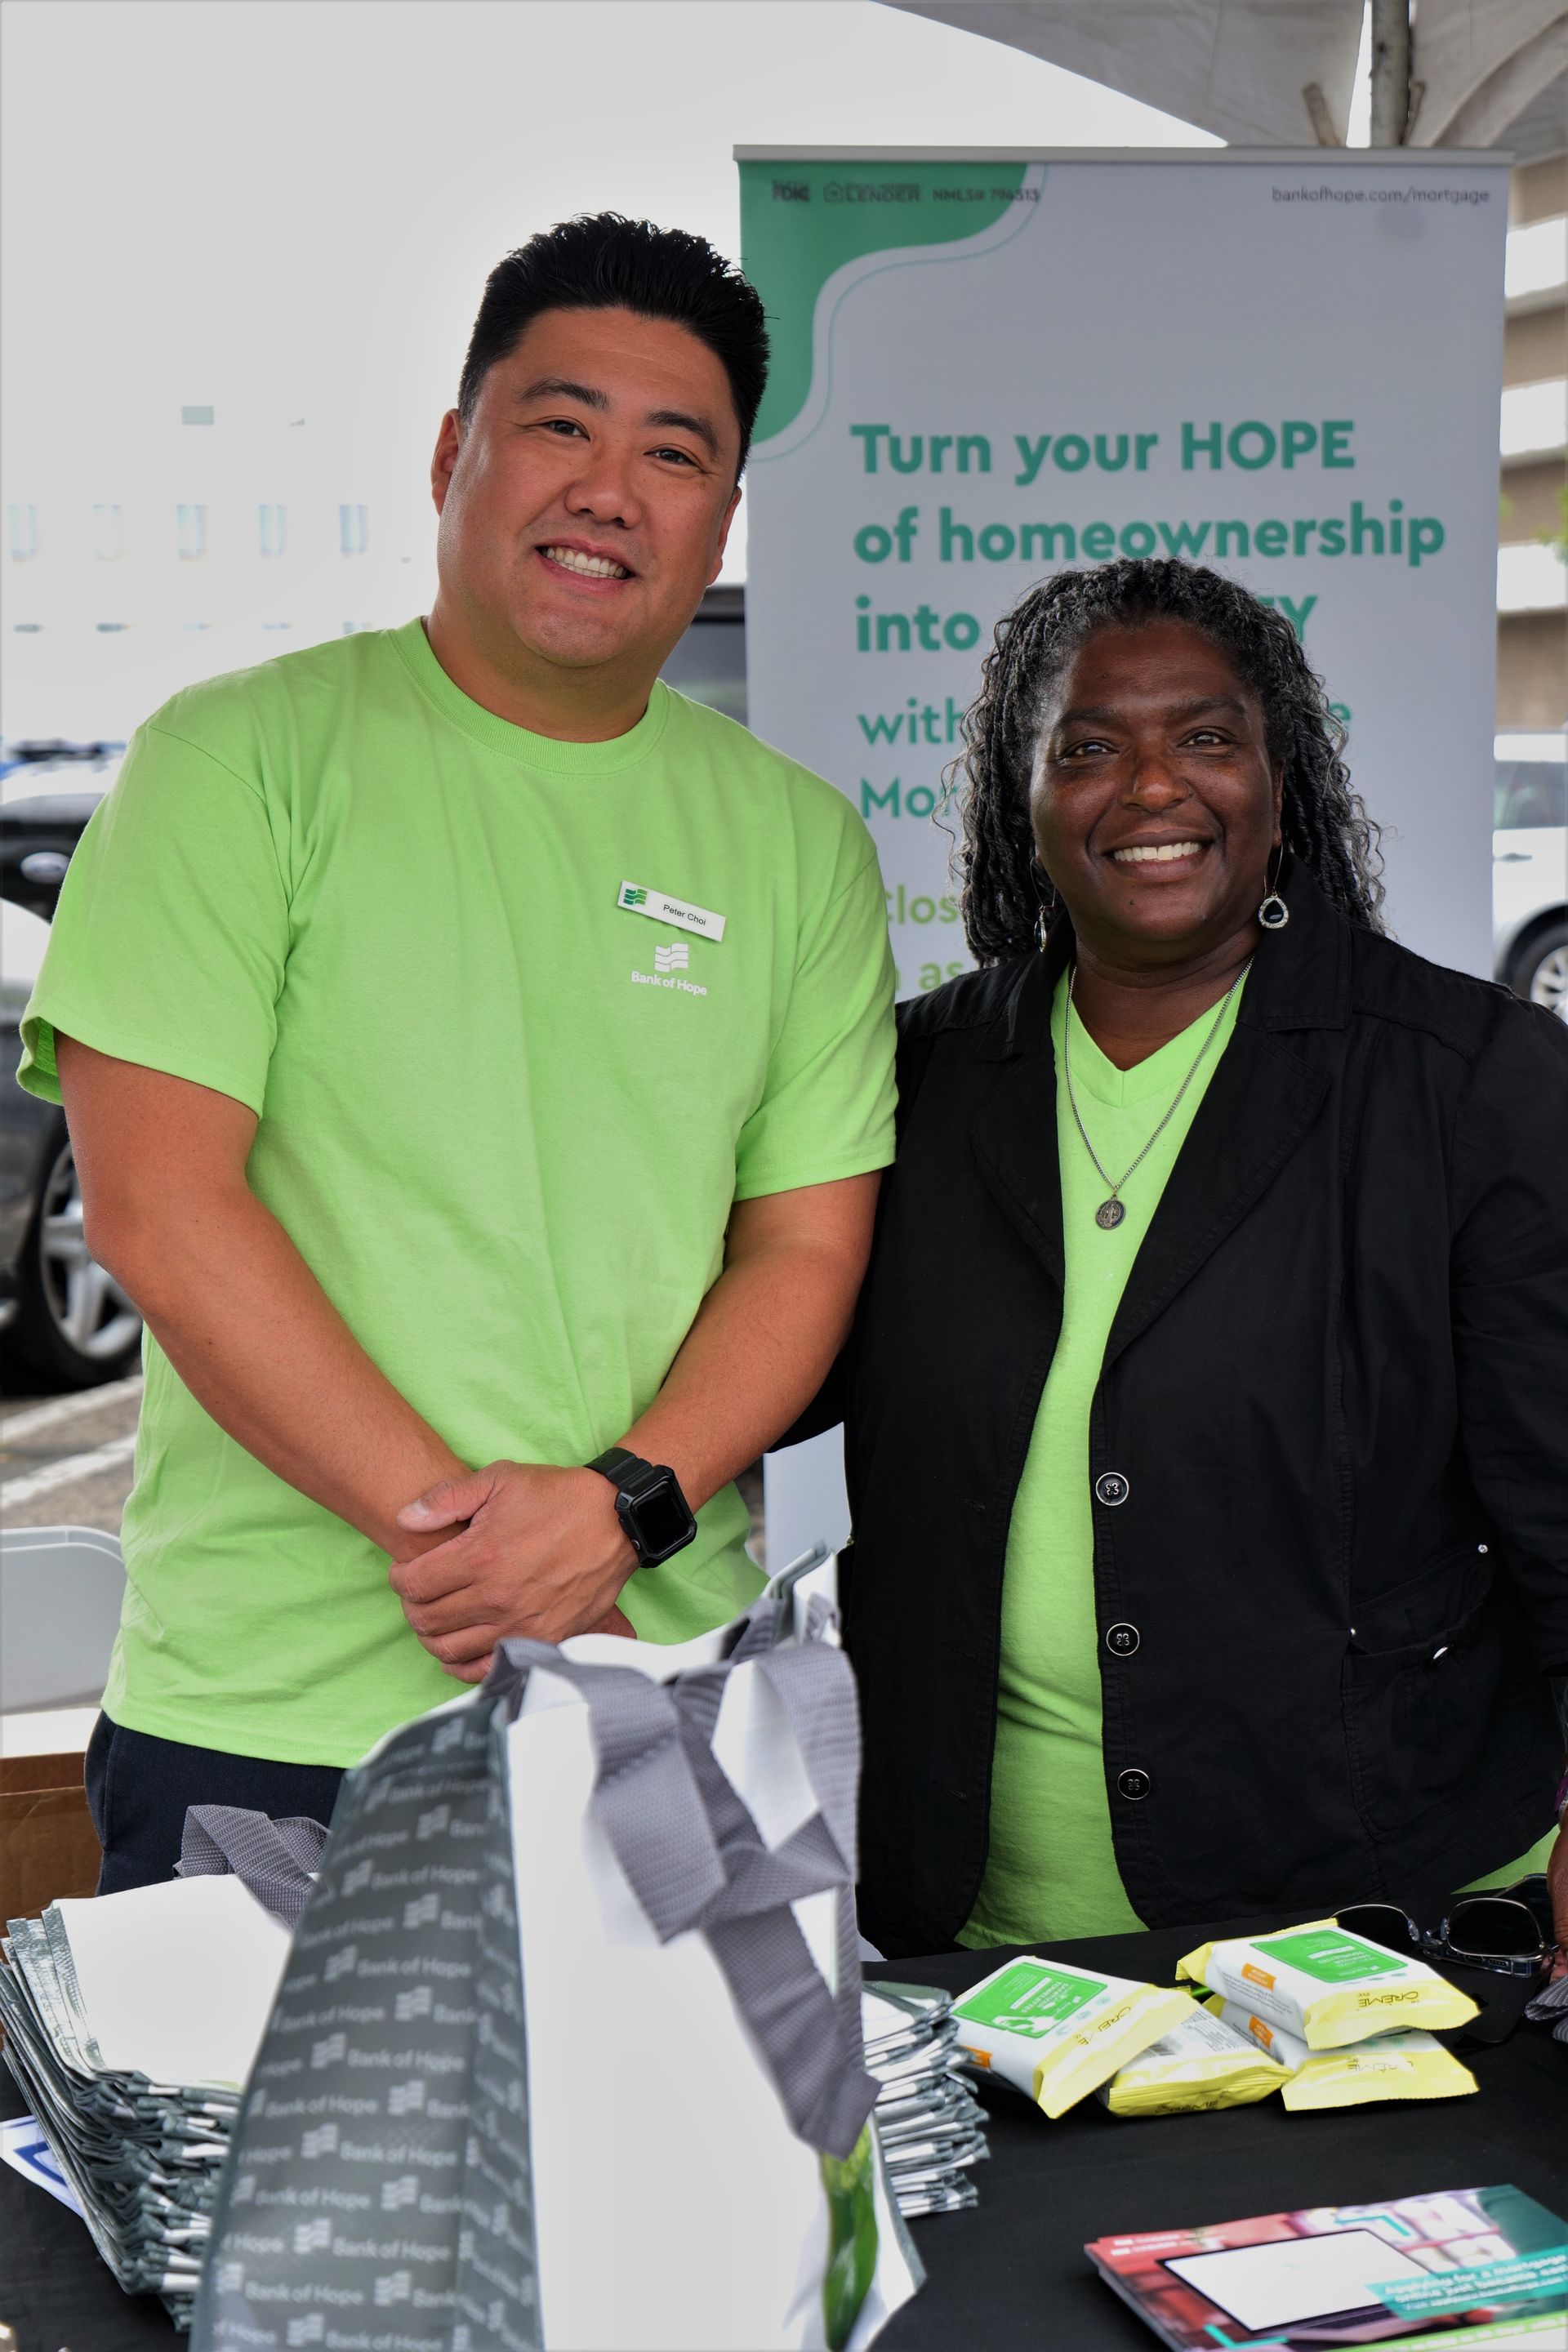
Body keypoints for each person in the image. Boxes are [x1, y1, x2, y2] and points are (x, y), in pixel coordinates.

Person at [20, 214, 896, 1892]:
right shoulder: (236, 762)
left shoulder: (798, 845)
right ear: (451, 455)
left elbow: (804, 1249)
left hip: (662, 1686)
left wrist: (621, 1510)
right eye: (562, 425)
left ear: (722, 516)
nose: (609, 489)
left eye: (674, 453)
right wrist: (485, 1553)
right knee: (271, 2095)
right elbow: (161, 1208)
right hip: (278, 1712)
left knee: (691, 2086)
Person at [817, 559, 1568, 1963]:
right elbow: (776, 1359)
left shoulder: (1468, 1080)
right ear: (1021, 797)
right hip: (974, 1924)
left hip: (1360, 1912)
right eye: (1088, 749)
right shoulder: (910, 1082)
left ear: (1282, 785)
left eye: (1208, 739)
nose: (1153, 786)